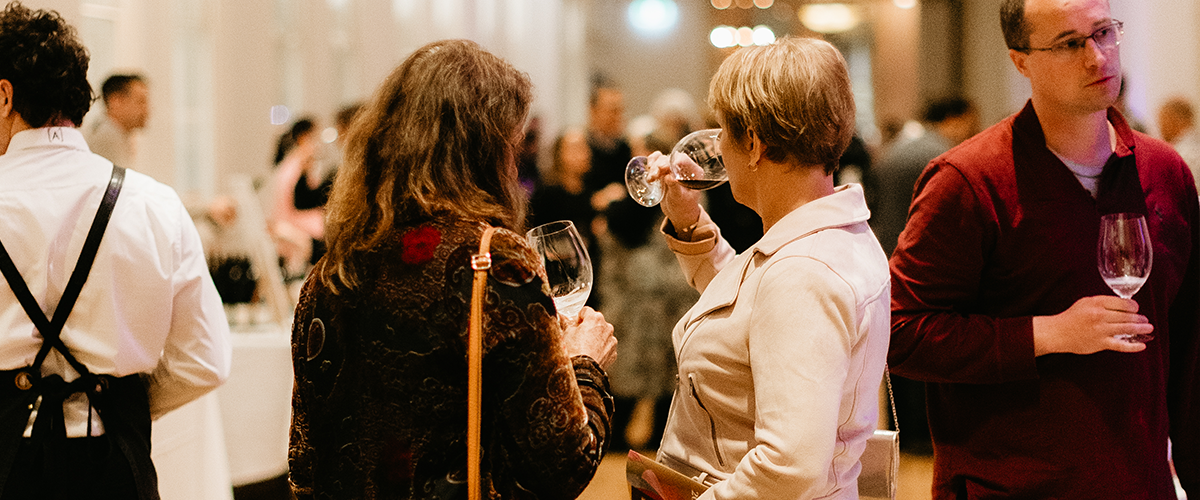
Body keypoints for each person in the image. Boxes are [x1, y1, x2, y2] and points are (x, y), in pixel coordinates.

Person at [888, 0, 1200, 497]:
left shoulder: (1165, 172)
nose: (1097, 58)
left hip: (1140, 484)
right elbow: (898, 332)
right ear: (1021, 60)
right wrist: (1048, 333)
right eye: (1069, 43)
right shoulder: (967, 181)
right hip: (1011, 485)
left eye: (1102, 33)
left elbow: (1188, 342)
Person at [288, 39, 618, 500]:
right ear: (482, 150)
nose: (514, 162)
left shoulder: (329, 273)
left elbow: (305, 460)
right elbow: (561, 467)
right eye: (512, 144)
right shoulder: (494, 262)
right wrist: (586, 365)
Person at [0, 2, 231, 498]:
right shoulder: (155, 204)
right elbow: (206, 359)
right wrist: (117, 399)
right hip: (114, 466)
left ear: (4, 95)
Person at [650, 36, 890, 498]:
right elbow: (748, 310)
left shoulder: (803, 272)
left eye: (722, 129)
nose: (717, 144)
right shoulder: (827, 233)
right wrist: (689, 222)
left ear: (754, 142)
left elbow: (788, 466)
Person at [84, 73, 149, 168]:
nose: (146, 110)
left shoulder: (120, 135)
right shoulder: (105, 138)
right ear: (115, 101)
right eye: (140, 101)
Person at [1158, 96, 1200, 186]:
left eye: (1162, 122)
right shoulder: (1196, 145)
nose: (1161, 129)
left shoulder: (1179, 155)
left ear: (1173, 119)